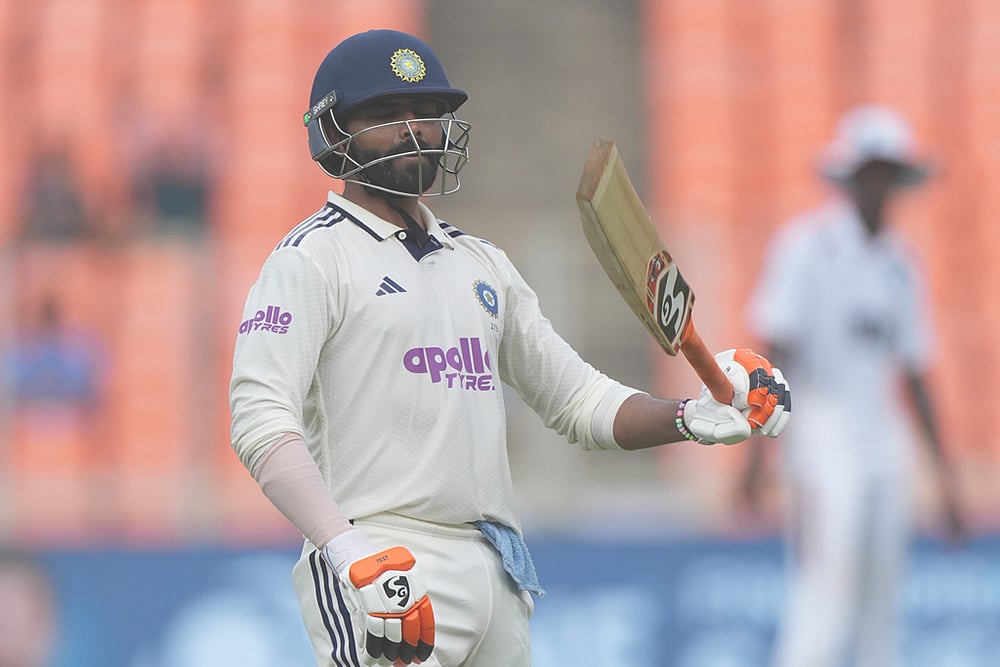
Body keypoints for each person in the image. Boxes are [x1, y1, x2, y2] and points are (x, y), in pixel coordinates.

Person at [229, 29, 791, 667]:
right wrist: (347, 551)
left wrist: (689, 416)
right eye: (386, 117)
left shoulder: (481, 264)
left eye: (429, 115)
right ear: (334, 134)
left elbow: (577, 401)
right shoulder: (311, 258)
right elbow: (259, 421)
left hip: (496, 566)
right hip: (382, 557)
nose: (415, 132)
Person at [737, 104, 965, 667]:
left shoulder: (901, 264)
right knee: (825, 591)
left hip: (884, 439)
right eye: (871, 170)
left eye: (889, 171)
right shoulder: (806, 247)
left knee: (880, 606)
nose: (880, 183)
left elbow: (914, 374)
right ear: (852, 175)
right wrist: (755, 451)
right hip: (819, 432)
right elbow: (775, 348)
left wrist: (946, 477)